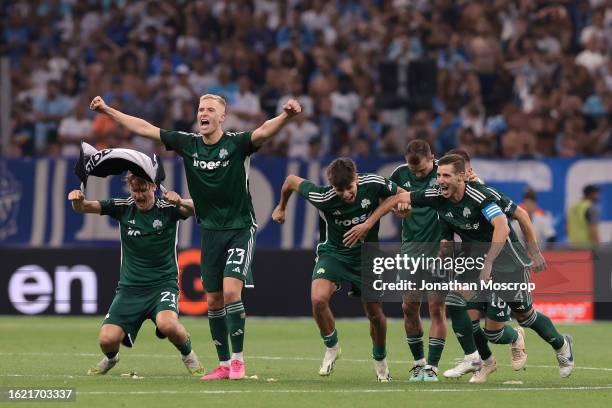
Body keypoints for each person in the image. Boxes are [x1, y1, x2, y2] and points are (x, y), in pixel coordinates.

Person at [89, 93, 301, 380]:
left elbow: (263, 130)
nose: (204, 113)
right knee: (213, 300)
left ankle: (238, 362)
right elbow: (145, 128)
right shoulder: (188, 144)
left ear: (222, 117)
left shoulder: (236, 144)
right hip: (210, 231)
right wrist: (107, 110)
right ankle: (224, 365)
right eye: (201, 108)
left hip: (239, 228)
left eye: (210, 109)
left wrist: (287, 116)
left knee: (229, 293)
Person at [369, 154, 575, 380]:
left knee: (518, 319)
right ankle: (479, 360)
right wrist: (369, 223)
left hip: (507, 264)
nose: (439, 180)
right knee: (457, 302)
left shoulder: (480, 196)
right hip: (475, 263)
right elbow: (398, 199)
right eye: (438, 175)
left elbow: (502, 227)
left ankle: (560, 344)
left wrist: (522, 255)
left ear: (461, 176)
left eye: (445, 175)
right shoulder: (438, 197)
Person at [271, 158, 403, 382]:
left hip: (366, 258)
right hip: (334, 254)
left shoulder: (372, 183)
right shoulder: (323, 197)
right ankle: (332, 346)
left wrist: (371, 222)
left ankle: (380, 360)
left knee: (375, 315)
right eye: (339, 190)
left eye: (349, 187)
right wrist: (281, 207)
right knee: (318, 300)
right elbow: (291, 180)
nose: (346, 194)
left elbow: (400, 194)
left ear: (356, 178)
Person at [67, 173, 202, 376]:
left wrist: (181, 201)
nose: (138, 195)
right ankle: (112, 358)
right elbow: (84, 207)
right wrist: (77, 201)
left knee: (168, 324)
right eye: (135, 190)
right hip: (130, 289)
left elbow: (203, 208)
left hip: (163, 285)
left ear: (154, 187)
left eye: (143, 189)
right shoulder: (122, 206)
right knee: (106, 340)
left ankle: (189, 356)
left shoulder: (168, 208)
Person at [388, 140, 447, 382]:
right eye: (414, 171)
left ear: (432, 158)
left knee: (435, 307)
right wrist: (397, 210)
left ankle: (432, 367)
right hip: (410, 249)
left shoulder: (445, 172)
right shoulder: (400, 174)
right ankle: (418, 363)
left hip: (439, 249)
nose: (417, 174)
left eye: (422, 170)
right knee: (408, 307)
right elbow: (390, 202)